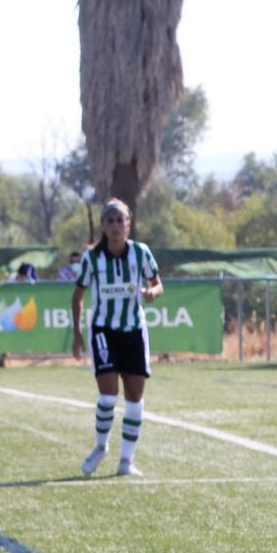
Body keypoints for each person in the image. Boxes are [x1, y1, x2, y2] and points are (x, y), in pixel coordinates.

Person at [71, 199, 163, 478]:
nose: (114, 226)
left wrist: (152, 293)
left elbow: (157, 283)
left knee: (135, 401)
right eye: (108, 221)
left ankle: (126, 460)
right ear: (103, 226)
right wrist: (76, 333)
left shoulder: (140, 252)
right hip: (104, 331)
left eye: (118, 220)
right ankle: (101, 447)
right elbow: (78, 295)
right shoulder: (92, 258)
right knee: (109, 397)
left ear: (128, 224)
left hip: (134, 331)